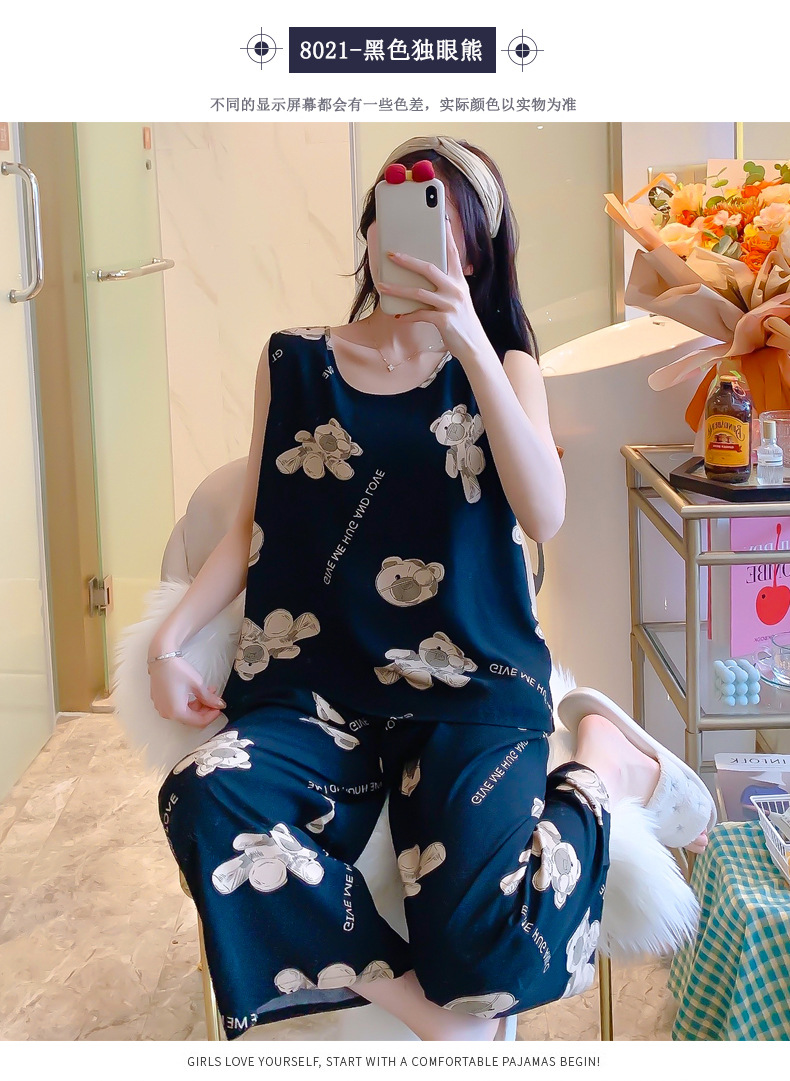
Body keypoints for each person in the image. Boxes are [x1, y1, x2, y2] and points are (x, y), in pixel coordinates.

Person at [148, 135, 713, 1042]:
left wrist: (470, 342)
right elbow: (252, 521)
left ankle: (601, 763)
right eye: (393, 210)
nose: (404, 236)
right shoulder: (292, 361)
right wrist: (167, 643)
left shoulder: (503, 368)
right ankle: (407, 998)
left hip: (469, 689)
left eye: (438, 222)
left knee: (487, 958)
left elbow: (545, 513)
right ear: (370, 231)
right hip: (314, 691)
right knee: (205, 792)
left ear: (476, 254)